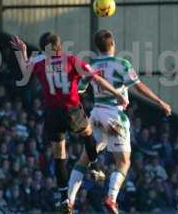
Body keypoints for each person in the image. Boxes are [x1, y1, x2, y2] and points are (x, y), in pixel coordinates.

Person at [10, 32, 128, 209]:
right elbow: (95, 78)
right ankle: (95, 167)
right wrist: (117, 93)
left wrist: (22, 52)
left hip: (52, 114)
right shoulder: (71, 60)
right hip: (71, 110)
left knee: (59, 156)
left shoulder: (40, 63)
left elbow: (25, 70)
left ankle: (65, 198)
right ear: (59, 46)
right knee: (88, 134)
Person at [65, 29, 171, 214]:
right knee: (123, 162)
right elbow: (138, 87)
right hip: (114, 114)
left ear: (97, 46)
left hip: (96, 114)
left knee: (83, 160)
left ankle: (69, 201)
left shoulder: (91, 65)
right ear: (112, 43)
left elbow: (80, 91)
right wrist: (160, 102)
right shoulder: (122, 63)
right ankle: (111, 198)